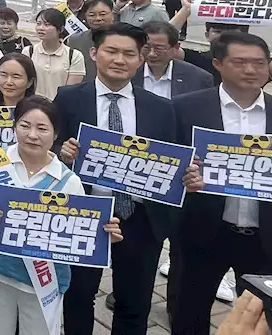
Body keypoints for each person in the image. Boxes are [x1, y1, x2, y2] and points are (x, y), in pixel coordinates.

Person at [55, 23, 202, 335]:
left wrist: (187, 173)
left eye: (129, 54)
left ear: (140, 59)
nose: (119, 59)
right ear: (95, 53)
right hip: (83, 214)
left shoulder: (161, 108)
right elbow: (50, 145)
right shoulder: (68, 98)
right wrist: (62, 152)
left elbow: (173, 159)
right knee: (78, 298)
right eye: (111, 51)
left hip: (139, 217)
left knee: (134, 304)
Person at [169, 31, 272, 335]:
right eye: (240, 62)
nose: (251, 70)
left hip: (268, 237)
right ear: (217, 63)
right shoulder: (183, 109)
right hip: (203, 232)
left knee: (263, 317)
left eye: (259, 63)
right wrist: (184, 177)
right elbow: (167, 165)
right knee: (188, 310)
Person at [0, 97, 121, 334]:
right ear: (14, 126)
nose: (32, 135)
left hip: (45, 281)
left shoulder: (69, 181)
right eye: (25, 125)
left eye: (42, 128)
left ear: (55, 133)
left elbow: (82, 234)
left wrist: (102, 238)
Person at [169, 0, 272, 85]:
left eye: (232, 32)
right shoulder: (197, 60)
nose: (224, 36)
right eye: (217, 31)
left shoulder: (255, 66)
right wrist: (185, 11)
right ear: (207, 35)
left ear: (244, 34)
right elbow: (164, 42)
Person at [137, 21, 214, 99]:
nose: (151, 54)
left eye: (159, 48)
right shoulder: (129, 72)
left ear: (176, 48)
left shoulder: (198, 78)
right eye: (146, 48)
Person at [26, 9, 84, 98]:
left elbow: (70, 92)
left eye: (47, 25)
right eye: (38, 23)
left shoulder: (74, 56)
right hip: (32, 106)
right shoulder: (29, 52)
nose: (41, 28)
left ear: (60, 29)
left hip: (60, 107)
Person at [67, 0, 116, 78]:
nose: (98, 18)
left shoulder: (125, 39)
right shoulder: (74, 40)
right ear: (85, 17)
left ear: (112, 14)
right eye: (92, 15)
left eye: (102, 14)